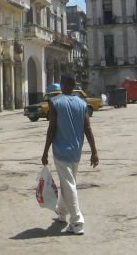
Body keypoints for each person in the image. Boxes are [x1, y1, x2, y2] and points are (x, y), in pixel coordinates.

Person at [41, 73, 99, 235]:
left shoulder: (55, 103)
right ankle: (61, 212)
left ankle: (77, 222)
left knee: (69, 184)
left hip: (60, 151)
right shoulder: (81, 104)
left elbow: (51, 129)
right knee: (67, 182)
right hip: (76, 151)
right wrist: (94, 151)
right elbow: (88, 129)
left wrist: (45, 151)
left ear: (62, 85)